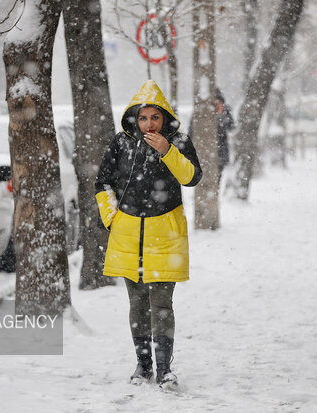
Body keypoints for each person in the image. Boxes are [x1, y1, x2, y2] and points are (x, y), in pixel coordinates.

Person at [94, 80, 202, 389]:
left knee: (162, 304)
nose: (149, 124)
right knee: (138, 304)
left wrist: (167, 151)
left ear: (164, 118)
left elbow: (192, 177)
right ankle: (142, 365)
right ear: (134, 119)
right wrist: (111, 217)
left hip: (165, 234)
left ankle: (164, 368)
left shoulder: (178, 141)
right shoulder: (121, 143)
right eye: (143, 118)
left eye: (155, 117)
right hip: (128, 236)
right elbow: (102, 183)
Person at [189, 88, 235, 180]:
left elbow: (232, 127)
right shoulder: (201, 114)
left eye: (219, 103)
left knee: (217, 179)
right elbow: (191, 131)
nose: (217, 106)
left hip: (220, 154)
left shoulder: (226, 113)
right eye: (215, 103)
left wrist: (222, 115)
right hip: (204, 153)